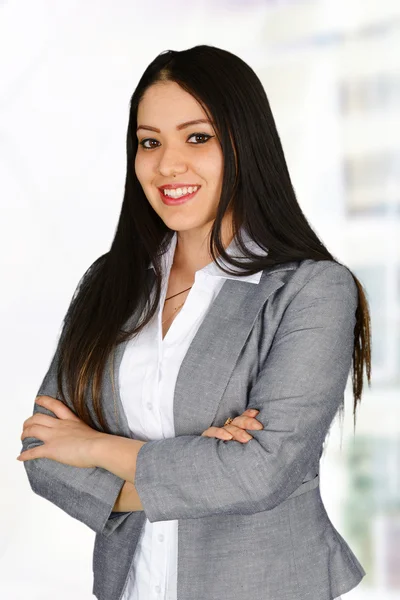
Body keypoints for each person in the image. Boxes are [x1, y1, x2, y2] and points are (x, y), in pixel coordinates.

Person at [18, 45, 371, 600]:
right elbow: (43, 453)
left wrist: (91, 448)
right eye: (149, 142)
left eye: (197, 137)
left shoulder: (310, 289)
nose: (167, 165)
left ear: (244, 143)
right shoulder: (111, 282)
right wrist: (203, 466)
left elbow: (260, 473)